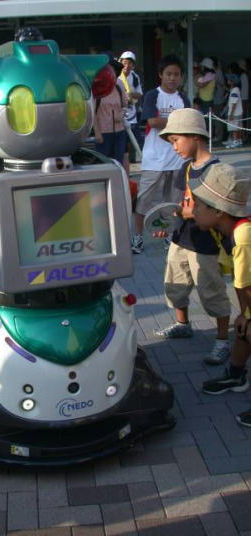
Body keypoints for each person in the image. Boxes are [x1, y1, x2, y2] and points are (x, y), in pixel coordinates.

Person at [152, 108, 231, 365]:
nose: (174, 147)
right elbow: (179, 202)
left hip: (206, 245)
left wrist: (187, 212)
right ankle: (182, 324)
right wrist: (167, 221)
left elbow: (221, 212)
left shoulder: (218, 172)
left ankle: (222, 340)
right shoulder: (185, 168)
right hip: (181, 238)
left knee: (211, 292)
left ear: (195, 136)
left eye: (176, 140)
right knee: (175, 283)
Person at [191, 164, 251, 426]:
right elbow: (241, 282)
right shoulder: (224, 232)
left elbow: (248, 286)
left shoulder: (244, 235)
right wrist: (244, 314)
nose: (192, 211)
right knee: (244, 329)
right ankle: (236, 376)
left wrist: (248, 315)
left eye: (197, 206)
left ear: (218, 211)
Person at [131, 54, 190, 254]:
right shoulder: (152, 95)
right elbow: (152, 122)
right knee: (144, 201)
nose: (172, 78)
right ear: (160, 75)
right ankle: (137, 237)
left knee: (172, 202)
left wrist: (170, 121)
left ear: (181, 77)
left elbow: (189, 123)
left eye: (176, 74)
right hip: (154, 159)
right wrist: (178, 120)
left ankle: (169, 236)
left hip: (178, 159)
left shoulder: (183, 98)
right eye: (169, 74)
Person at [93, 59, 127, 165]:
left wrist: (121, 114)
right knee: (103, 162)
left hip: (119, 131)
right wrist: (97, 132)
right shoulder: (97, 86)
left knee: (118, 162)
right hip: (103, 132)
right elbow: (92, 112)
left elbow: (125, 105)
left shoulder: (119, 84)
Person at [118, 51, 143, 175]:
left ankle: (133, 163)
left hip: (132, 114)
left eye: (129, 63)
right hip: (119, 115)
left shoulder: (135, 77)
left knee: (135, 140)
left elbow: (139, 94)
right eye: (125, 62)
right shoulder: (116, 76)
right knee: (122, 146)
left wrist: (129, 94)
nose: (127, 66)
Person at [224, 73, 243, 149]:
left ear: (232, 81)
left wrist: (231, 114)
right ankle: (238, 141)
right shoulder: (235, 89)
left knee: (234, 128)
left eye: (229, 79)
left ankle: (235, 141)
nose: (227, 80)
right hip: (237, 112)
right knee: (237, 127)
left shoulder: (235, 90)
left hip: (235, 113)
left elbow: (234, 103)